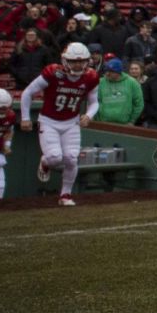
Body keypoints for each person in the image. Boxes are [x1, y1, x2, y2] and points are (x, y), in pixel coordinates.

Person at [20, 42, 100, 206]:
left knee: (71, 159)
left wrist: (89, 115)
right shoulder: (53, 72)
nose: (78, 65)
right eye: (73, 61)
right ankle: (45, 162)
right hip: (49, 121)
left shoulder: (91, 76)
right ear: (65, 60)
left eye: (81, 61)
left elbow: (94, 102)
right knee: (55, 158)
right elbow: (28, 92)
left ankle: (65, 195)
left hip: (71, 122)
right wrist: (25, 117)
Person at [97, 56, 145, 126]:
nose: (107, 73)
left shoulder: (132, 83)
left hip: (124, 124)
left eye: (111, 71)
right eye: (106, 70)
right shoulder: (100, 82)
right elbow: (95, 102)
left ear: (118, 72)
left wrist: (132, 120)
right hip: (103, 123)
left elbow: (139, 104)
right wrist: (97, 120)